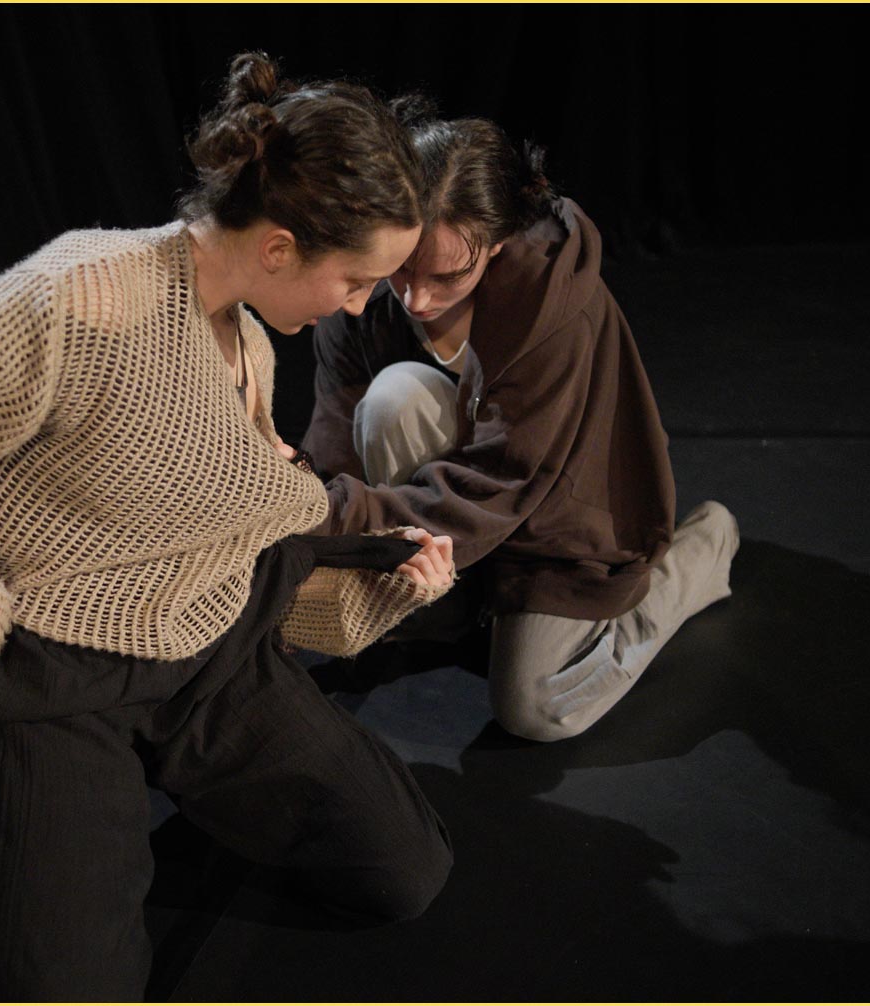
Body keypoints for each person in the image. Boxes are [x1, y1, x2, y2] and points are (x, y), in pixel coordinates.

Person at [0, 53, 456, 1001]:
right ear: (279, 248)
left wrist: (377, 582)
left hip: (205, 650)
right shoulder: (87, 295)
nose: (359, 306)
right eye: (356, 280)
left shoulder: (247, 333)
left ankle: (176, 779)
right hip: (59, 675)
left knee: (403, 871)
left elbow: (208, 525)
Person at [302, 114, 739, 743]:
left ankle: (699, 555)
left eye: (447, 276)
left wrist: (336, 516)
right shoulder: (367, 284)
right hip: (462, 502)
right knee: (394, 395)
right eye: (404, 269)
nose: (416, 299)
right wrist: (313, 535)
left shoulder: (553, 310)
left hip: (558, 507)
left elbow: (505, 478)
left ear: (499, 243)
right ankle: (451, 597)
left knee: (537, 707)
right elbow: (336, 430)